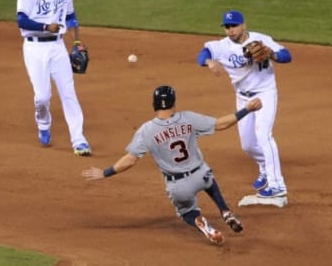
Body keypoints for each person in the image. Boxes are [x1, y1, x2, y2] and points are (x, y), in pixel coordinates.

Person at [82, 86, 262, 245]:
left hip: (178, 186)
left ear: (154, 104)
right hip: (200, 174)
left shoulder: (147, 130)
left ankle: (203, 224)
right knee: (209, 179)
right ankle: (225, 211)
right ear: (173, 103)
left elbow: (130, 159)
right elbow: (221, 124)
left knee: (187, 213)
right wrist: (247, 109)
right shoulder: (188, 118)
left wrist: (105, 173)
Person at [196, 10, 292, 201]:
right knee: (248, 145)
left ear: (243, 25)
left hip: (265, 93)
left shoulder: (260, 39)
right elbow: (203, 53)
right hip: (243, 98)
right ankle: (266, 167)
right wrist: (209, 62)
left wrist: (272, 54)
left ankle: (277, 185)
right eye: (227, 27)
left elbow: (287, 56)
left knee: (264, 135)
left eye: (234, 26)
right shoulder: (221, 46)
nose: (230, 30)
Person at [16, 0, 91, 156]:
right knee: (42, 97)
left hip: (57, 47)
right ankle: (43, 123)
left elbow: (71, 17)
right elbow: (21, 20)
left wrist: (76, 41)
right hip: (34, 48)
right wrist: (44, 26)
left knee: (69, 93)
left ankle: (79, 140)